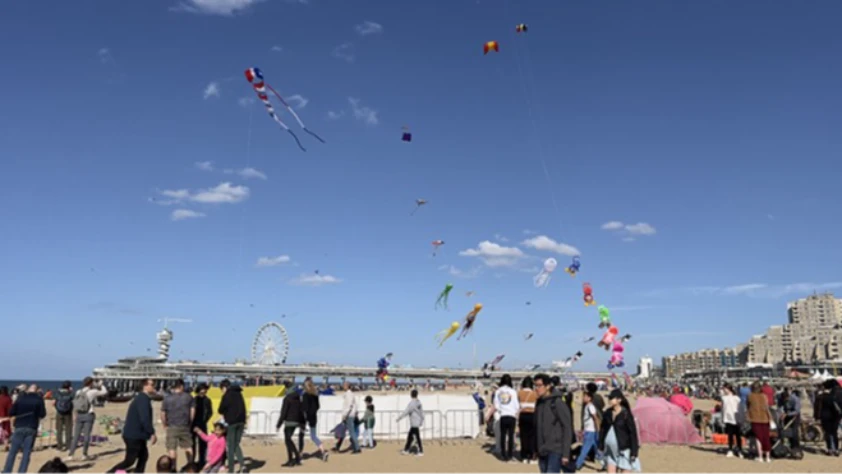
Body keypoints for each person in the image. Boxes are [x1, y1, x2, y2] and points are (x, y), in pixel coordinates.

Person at [106, 378, 157, 474]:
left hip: (137, 435)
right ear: (145, 386)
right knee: (130, 460)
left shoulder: (142, 398)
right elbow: (144, 418)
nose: (154, 386)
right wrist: (152, 433)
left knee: (143, 456)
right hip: (133, 435)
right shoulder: (142, 399)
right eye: (152, 384)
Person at [2, 384, 47, 474]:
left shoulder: (21, 398)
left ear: (28, 390)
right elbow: (42, 414)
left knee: (13, 451)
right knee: (26, 453)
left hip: (20, 425)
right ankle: (21, 472)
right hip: (31, 427)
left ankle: (7, 471)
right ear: (37, 391)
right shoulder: (39, 399)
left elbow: (11, 412)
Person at [534, 373, 572, 474]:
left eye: (539, 385)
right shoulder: (539, 403)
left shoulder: (557, 402)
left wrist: (565, 453)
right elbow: (537, 426)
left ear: (547, 386)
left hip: (555, 449)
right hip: (542, 449)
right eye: (535, 386)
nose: (537, 388)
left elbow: (567, 427)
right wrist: (535, 448)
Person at [598, 389, 640, 474]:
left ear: (619, 400)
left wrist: (634, 452)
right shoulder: (607, 413)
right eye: (609, 398)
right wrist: (601, 445)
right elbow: (602, 429)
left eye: (611, 398)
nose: (609, 400)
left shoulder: (626, 414)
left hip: (624, 451)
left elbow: (632, 433)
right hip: (610, 451)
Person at [67, 377, 108, 461]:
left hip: (79, 414)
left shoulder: (78, 391)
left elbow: (75, 404)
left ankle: (71, 454)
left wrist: (75, 415)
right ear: (91, 383)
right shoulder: (92, 392)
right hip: (88, 414)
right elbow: (104, 392)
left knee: (76, 436)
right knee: (86, 435)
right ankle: (84, 454)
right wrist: (101, 384)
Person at [162, 379, 195, 466]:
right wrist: (190, 423)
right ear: (181, 386)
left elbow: (163, 413)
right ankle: (191, 467)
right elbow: (192, 412)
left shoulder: (167, 398)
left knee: (172, 448)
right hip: (185, 425)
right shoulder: (189, 397)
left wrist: (164, 424)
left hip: (172, 425)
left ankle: (173, 468)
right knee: (188, 447)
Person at [218, 380, 246, 473]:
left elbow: (220, 409)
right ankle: (243, 466)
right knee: (236, 445)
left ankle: (231, 470)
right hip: (241, 422)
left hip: (231, 423)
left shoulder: (226, 395)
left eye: (222, 389)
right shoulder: (239, 394)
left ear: (224, 387)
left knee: (230, 446)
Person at [276, 382, 304, 467]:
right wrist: (301, 423)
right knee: (289, 440)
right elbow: (300, 411)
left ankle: (291, 460)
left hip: (289, 421)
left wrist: (279, 424)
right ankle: (297, 458)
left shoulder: (287, 398)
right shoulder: (298, 397)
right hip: (296, 421)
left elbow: (283, 412)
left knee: (288, 440)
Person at [494, 374, 520, 463]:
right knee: (511, 435)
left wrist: (501, 410)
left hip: (503, 415)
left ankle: (503, 454)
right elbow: (516, 405)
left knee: (503, 435)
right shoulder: (513, 391)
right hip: (511, 415)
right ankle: (510, 454)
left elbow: (496, 404)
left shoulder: (498, 391)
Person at [300, 379, 328, 461]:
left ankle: (300, 454)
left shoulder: (305, 395)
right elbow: (318, 406)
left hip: (306, 417)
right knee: (313, 436)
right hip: (313, 417)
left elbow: (304, 408)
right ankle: (323, 451)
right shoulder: (315, 395)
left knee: (301, 436)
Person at [576, 390, 602, 471]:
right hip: (589, 431)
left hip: (591, 431)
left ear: (589, 398)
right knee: (597, 450)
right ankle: (606, 463)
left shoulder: (590, 406)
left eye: (585, 396)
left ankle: (577, 464)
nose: (583, 398)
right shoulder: (587, 406)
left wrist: (598, 430)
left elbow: (595, 418)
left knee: (585, 448)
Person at [746, 381, 772, 463]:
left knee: (758, 438)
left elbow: (748, 406)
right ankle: (767, 457)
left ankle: (760, 456)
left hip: (755, 418)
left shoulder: (750, 396)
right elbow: (767, 407)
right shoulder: (764, 396)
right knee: (766, 437)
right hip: (765, 418)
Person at [817, 379, 841, 456]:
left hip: (826, 416)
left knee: (828, 433)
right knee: (834, 432)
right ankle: (836, 449)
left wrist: (817, 416)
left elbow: (819, 407)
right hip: (837, 416)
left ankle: (830, 449)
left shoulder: (824, 396)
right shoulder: (839, 393)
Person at [191, 383, 213, 467]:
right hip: (193, 424)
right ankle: (192, 461)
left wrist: (205, 420)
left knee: (203, 444)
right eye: (203, 389)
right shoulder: (194, 399)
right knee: (192, 444)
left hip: (202, 424)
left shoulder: (207, 400)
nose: (204, 391)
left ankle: (202, 461)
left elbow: (210, 412)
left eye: (205, 389)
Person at [517, 376, 538, 465]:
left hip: (523, 415)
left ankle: (524, 456)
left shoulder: (519, 393)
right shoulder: (535, 393)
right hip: (532, 415)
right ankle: (532, 455)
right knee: (532, 436)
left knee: (523, 436)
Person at [397, 389, 424, 456]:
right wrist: (421, 420)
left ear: (411, 395)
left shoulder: (411, 404)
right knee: (411, 436)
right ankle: (407, 449)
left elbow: (406, 411)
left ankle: (420, 451)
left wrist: (399, 418)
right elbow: (422, 412)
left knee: (416, 437)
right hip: (417, 421)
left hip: (414, 422)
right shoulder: (419, 402)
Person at [720, 384, 743, 458]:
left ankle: (739, 450)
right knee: (730, 435)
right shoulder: (724, 398)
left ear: (728, 389)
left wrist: (741, 418)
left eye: (725, 389)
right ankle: (730, 449)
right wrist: (723, 418)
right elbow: (722, 409)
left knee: (738, 435)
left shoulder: (736, 398)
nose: (724, 390)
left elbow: (740, 409)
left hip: (736, 418)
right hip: (728, 418)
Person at [339, 382, 360, 454]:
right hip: (351, 415)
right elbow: (354, 405)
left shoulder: (349, 394)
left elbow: (349, 405)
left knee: (351, 432)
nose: (343, 386)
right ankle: (338, 446)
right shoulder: (351, 394)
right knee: (347, 431)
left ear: (347, 386)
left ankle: (357, 448)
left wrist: (344, 415)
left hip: (349, 415)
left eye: (344, 385)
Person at [53, 382, 74, 452]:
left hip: (59, 412)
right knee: (68, 430)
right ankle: (68, 446)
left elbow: (55, 401)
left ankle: (60, 446)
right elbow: (73, 397)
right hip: (68, 413)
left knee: (59, 430)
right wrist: (71, 391)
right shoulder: (70, 393)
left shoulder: (57, 392)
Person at [0, 386, 12, 452]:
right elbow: (10, 409)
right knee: (5, 432)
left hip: (2, 416)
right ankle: (6, 445)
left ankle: (6, 445)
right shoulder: (8, 399)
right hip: (5, 417)